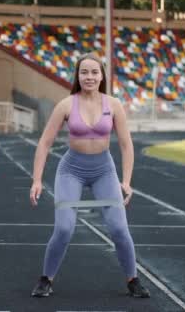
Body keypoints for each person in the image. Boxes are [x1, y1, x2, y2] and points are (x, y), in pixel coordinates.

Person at [29, 53, 150, 298]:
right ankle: (46, 279)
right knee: (64, 228)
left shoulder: (114, 105)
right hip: (71, 170)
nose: (89, 77)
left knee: (118, 228)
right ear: (77, 75)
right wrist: (37, 180)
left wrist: (126, 181)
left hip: (103, 170)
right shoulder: (66, 105)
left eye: (94, 72)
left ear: (102, 75)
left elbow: (126, 145)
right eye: (84, 72)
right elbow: (44, 143)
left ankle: (133, 280)